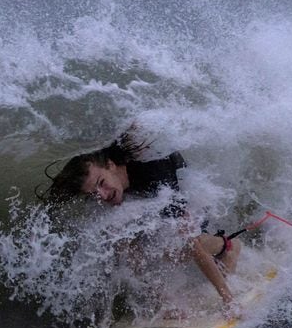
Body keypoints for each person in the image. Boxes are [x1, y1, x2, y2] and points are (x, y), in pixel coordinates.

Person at [42, 129, 241, 308]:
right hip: (142, 188)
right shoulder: (109, 185)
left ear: (111, 166)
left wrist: (229, 300)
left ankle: (227, 247)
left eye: (101, 183)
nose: (101, 196)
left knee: (183, 243)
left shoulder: (154, 174)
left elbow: (192, 243)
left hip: (178, 183)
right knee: (124, 244)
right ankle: (164, 301)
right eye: (92, 193)